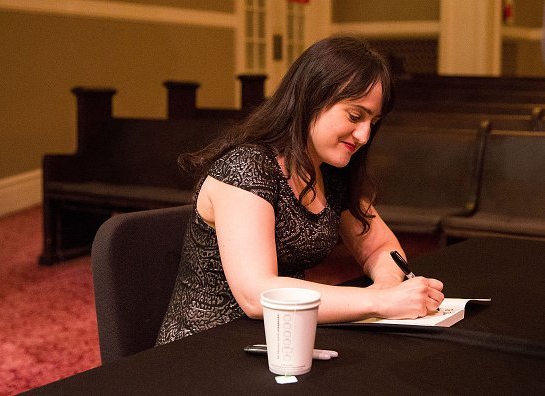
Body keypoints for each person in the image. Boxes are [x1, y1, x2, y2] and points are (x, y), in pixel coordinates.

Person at [155, 35, 444, 346]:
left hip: (280, 337)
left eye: (372, 122)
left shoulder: (330, 171)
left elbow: (380, 247)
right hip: (205, 346)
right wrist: (379, 303)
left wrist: (385, 287)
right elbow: (257, 294)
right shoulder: (246, 167)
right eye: (355, 116)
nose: (364, 135)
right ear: (311, 99)